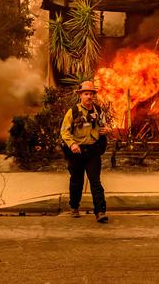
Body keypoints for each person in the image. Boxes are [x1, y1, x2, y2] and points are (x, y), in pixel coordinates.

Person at [60, 80, 111, 223]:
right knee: (76, 181)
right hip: (77, 152)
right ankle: (74, 206)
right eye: (86, 94)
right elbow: (64, 132)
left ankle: (100, 211)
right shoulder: (73, 112)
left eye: (91, 94)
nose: (89, 96)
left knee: (95, 181)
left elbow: (104, 126)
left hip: (93, 151)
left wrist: (107, 130)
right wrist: (72, 145)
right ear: (80, 95)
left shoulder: (98, 111)